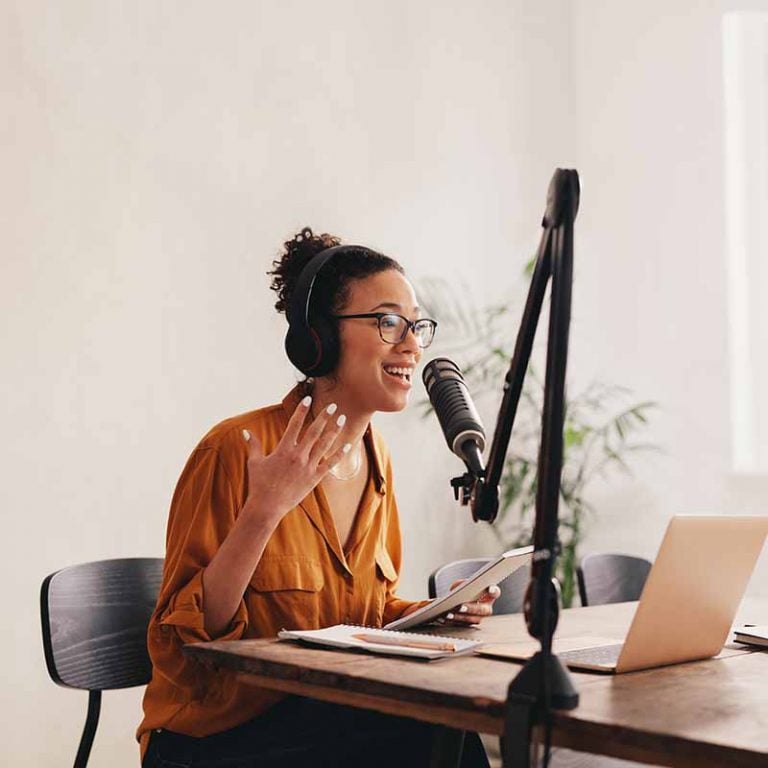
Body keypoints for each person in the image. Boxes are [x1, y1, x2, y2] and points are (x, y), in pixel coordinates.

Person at [138, 228, 498, 767]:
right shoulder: (236, 449)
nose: (412, 344)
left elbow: (365, 614)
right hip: (215, 738)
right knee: (427, 742)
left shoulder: (377, 459)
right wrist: (264, 511)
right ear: (318, 339)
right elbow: (185, 651)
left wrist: (436, 615)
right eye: (387, 321)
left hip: (326, 715)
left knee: (445, 731)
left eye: (415, 324)